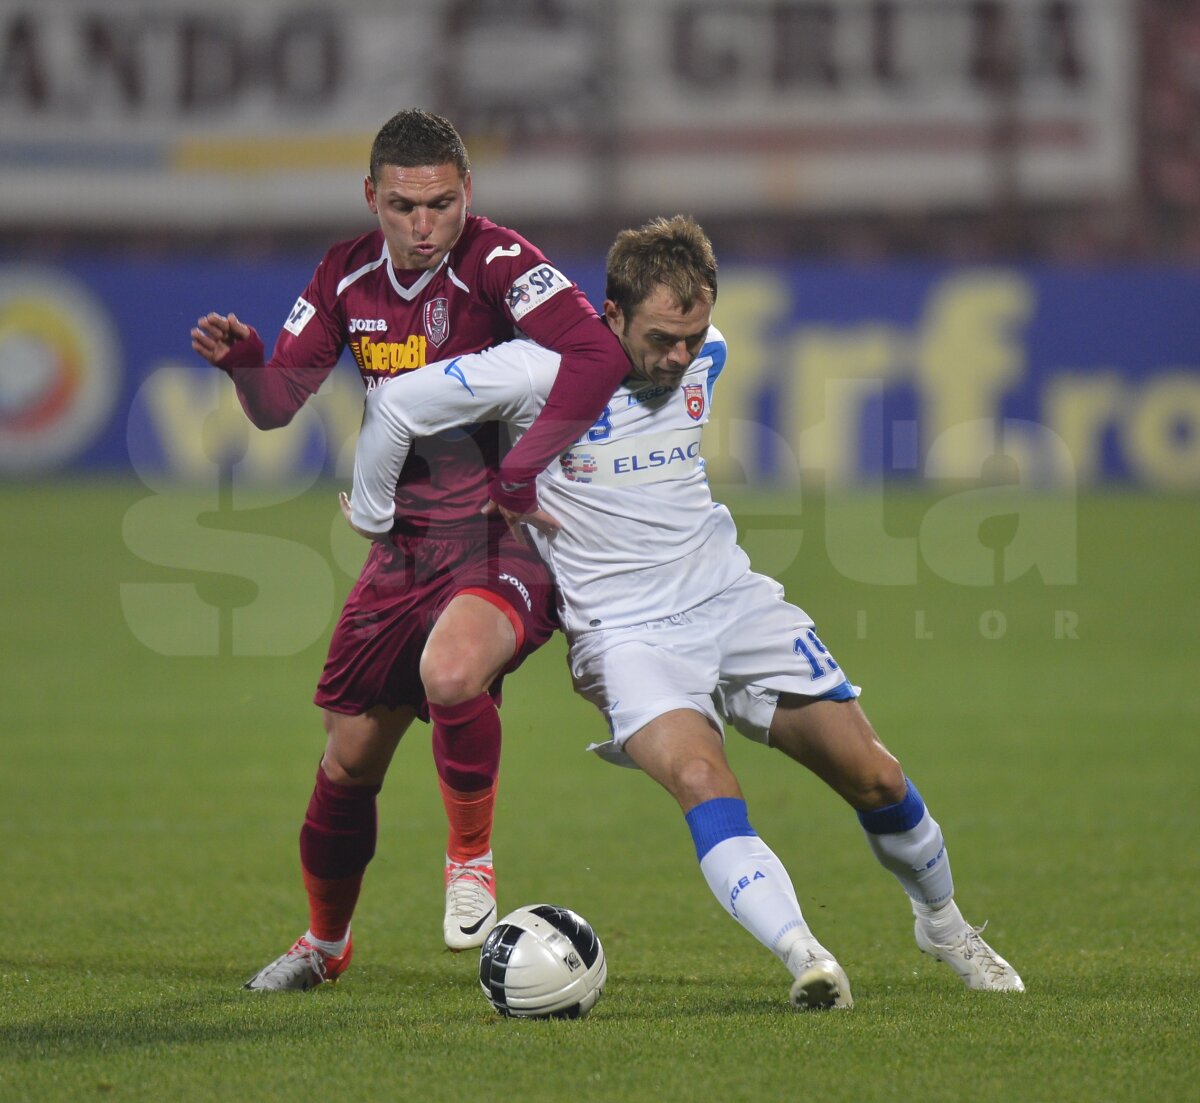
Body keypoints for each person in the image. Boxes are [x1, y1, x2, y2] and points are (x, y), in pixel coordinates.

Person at [344, 214, 1025, 1007]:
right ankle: (807, 955)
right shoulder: (535, 371)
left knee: (875, 776)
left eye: (692, 334)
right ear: (611, 317)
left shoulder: (711, 354)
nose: (680, 356)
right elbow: (395, 402)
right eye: (663, 337)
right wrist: (373, 511)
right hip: (625, 638)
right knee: (703, 777)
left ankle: (943, 923)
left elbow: (691, 363)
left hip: (730, 603)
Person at [190, 108, 633, 988]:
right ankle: (324, 943)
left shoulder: (500, 262)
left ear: (467, 192)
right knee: (348, 759)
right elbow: (281, 401)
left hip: (506, 534)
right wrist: (246, 361)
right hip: (401, 548)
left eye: (442, 203)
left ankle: (470, 859)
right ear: (373, 199)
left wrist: (525, 472)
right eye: (404, 206)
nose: (426, 224)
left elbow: (595, 354)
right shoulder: (344, 274)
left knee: (453, 672)